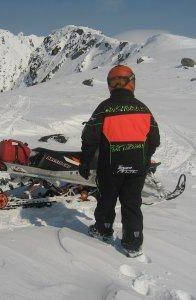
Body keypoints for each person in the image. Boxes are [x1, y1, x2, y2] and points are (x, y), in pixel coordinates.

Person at [79, 65, 160, 256]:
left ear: (111, 85)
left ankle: (104, 230)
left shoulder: (104, 108)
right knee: (132, 203)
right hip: (137, 168)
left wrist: (85, 162)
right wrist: (145, 158)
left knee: (106, 200)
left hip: (109, 167)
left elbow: (89, 138)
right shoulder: (143, 109)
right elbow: (155, 140)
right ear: (131, 83)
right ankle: (132, 243)